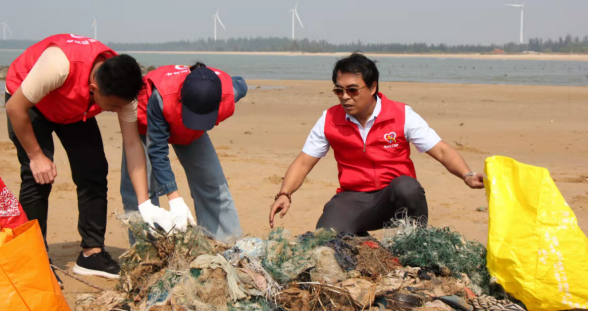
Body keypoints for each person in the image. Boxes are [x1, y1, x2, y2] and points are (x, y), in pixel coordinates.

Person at [5, 33, 173, 282]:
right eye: (113, 107)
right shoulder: (58, 65)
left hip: (73, 109)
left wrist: (144, 203)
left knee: (94, 171)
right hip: (30, 103)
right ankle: (34, 258)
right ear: (93, 88)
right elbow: (15, 108)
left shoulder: (122, 88)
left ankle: (92, 254)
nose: (117, 112)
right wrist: (36, 155)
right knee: (38, 176)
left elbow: (132, 145)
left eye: (121, 107)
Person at [269, 52, 484, 234]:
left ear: (372, 87)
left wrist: (468, 176)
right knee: (325, 238)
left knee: (408, 187)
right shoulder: (329, 119)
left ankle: (415, 241)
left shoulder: (401, 115)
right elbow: (304, 161)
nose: (345, 97)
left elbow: (442, 150)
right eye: (338, 91)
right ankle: (362, 241)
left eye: (352, 90)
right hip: (353, 199)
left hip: (394, 199)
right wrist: (285, 193)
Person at [120, 62, 246, 242]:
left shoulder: (229, 93)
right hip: (147, 122)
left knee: (214, 186)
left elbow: (241, 83)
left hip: (191, 133)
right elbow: (157, 150)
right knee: (141, 190)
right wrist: (174, 198)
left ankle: (226, 244)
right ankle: (147, 249)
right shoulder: (161, 96)